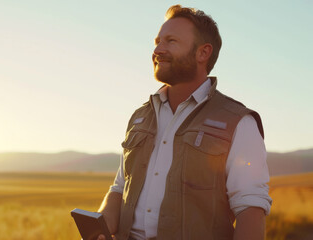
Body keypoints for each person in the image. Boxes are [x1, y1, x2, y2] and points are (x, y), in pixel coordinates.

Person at [96, 5, 272, 240]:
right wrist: (100, 228)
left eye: (170, 41)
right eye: (157, 41)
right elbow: (120, 188)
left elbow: (250, 209)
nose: (158, 49)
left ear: (203, 53)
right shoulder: (140, 117)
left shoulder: (239, 122)